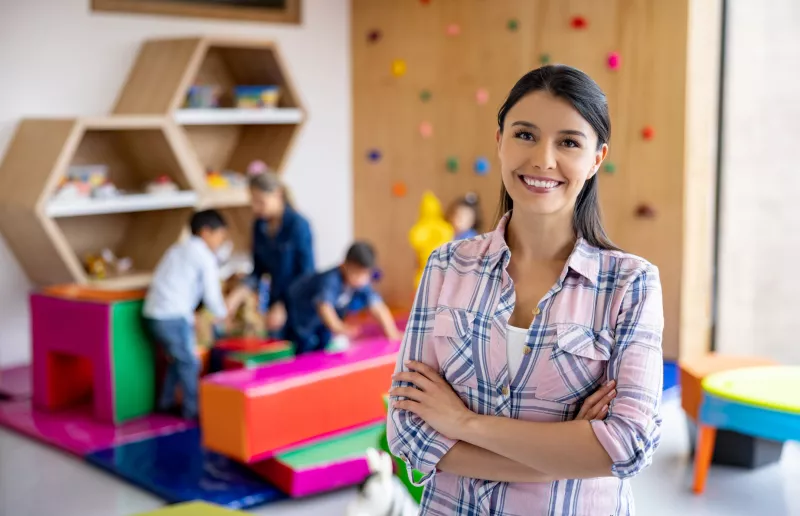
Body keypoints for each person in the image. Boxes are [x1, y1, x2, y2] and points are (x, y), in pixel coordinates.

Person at [387, 65, 664, 515]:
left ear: (597, 158)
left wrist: (462, 423)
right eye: (525, 134)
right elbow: (407, 430)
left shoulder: (631, 284)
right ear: (499, 141)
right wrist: (566, 452)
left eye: (569, 142)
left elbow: (628, 447)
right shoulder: (446, 265)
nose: (543, 159)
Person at [142, 210, 231, 420]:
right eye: (220, 235)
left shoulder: (177, 249)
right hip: (172, 315)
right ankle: (194, 411)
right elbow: (212, 293)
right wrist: (222, 314)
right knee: (190, 363)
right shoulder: (204, 256)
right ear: (206, 232)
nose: (220, 241)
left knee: (178, 360)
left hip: (153, 314)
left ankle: (166, 402)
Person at [228, 172, 315, 336]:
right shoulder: (258, 226)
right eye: (252, 202)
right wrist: (236, 296)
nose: (255, 208)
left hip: (298, 304)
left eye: (260, 202)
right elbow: (258, 271)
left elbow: (307, 274)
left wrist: (284, 305)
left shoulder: (298, 225)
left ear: (278, 195)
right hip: (273, 303)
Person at [284, 241, 402, 354]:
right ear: (344, 265)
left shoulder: (361, 284)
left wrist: (392, 332)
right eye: (356, 273)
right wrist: (340, 328)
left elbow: (377, 306)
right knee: (305, 344)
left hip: (322, 322)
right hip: (301, 312)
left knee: (324, 343)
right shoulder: (331, 280)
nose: (360, 279)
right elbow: (324, 307)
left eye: (365, 274)